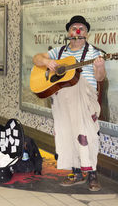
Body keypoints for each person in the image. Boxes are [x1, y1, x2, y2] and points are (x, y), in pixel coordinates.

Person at [32, 15, 106, 191]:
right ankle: (76, 173)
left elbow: (100, 78)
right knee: (67, 135)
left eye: (82, 29)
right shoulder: (58, 52)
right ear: (69, 32)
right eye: (74, 28)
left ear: (86, 34)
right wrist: (47, 62)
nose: (78, 31)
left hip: (84, 100)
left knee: (88, 135)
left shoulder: (95, 53)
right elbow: (36, 58)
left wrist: (100, 67)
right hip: (62, 101)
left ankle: (93, 173)